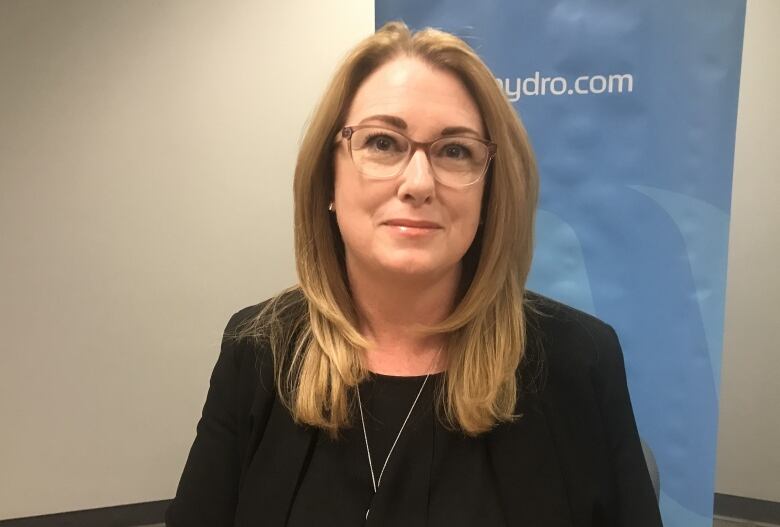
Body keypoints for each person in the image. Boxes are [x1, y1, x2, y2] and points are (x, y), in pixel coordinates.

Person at [165, 21, 663, 527]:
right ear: (328, 178)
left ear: (490, 193)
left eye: (455, 151)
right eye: (382, 142)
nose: (418, 183)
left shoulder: (579, 360)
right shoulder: (258, 349)